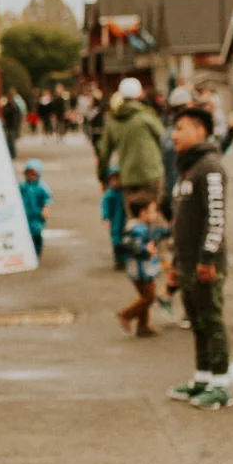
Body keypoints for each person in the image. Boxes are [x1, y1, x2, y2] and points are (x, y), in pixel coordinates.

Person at [166, 106, 232, 411]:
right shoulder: (187, 168)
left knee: (212, 320)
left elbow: (216, 218)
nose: (174, 135)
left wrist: (208, 259)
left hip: (206, 263)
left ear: (200, 131)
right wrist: (176, 264)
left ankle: (221, 386)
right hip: (187, 263)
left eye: (180, 128)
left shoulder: (210, 167)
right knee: (197, 321)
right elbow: (181, 222)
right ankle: (203, 378)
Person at [97, 78, 165, 221]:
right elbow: (163, 138)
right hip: (151, 173)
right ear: (139, 94)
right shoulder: (146, 114)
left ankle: (136, 241)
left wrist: (102, 177)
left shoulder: (112, 119)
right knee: (153, 213)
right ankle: (154, 242)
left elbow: (104, 153)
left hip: (128, 176)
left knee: (134, 218)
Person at [117, 188, 168, 337]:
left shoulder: (144, 228)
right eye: (153, 211)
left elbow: (156, 234)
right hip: (140, 270)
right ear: (143, 213)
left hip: (145, 269)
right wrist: (146, 250)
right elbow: (133, 245)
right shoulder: (136, 229)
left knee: (146, 297)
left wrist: (168, 231)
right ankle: (126, 314)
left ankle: (143, 326)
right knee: (148, 297)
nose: (155, 214)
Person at [18, 159, 50, 261]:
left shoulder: (41, 187)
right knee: (26, 233)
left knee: (36, 232)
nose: (32, 176)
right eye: (29, 173)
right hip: (25, 214)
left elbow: (47, 199)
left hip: (37, 215)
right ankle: (28, 251)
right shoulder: (23, 186)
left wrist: (45, 209)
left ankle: (37, 250)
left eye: (34, 174)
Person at [100, 161, 126, 270]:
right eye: (113, 179)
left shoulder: (124, 192)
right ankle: (118, 260)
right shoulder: (110, 194)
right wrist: (106, 218)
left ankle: (124, 259)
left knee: (126, 239)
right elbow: (105, 206)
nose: (115, 182)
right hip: (115, 221)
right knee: (116, 240)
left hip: (124, 219)